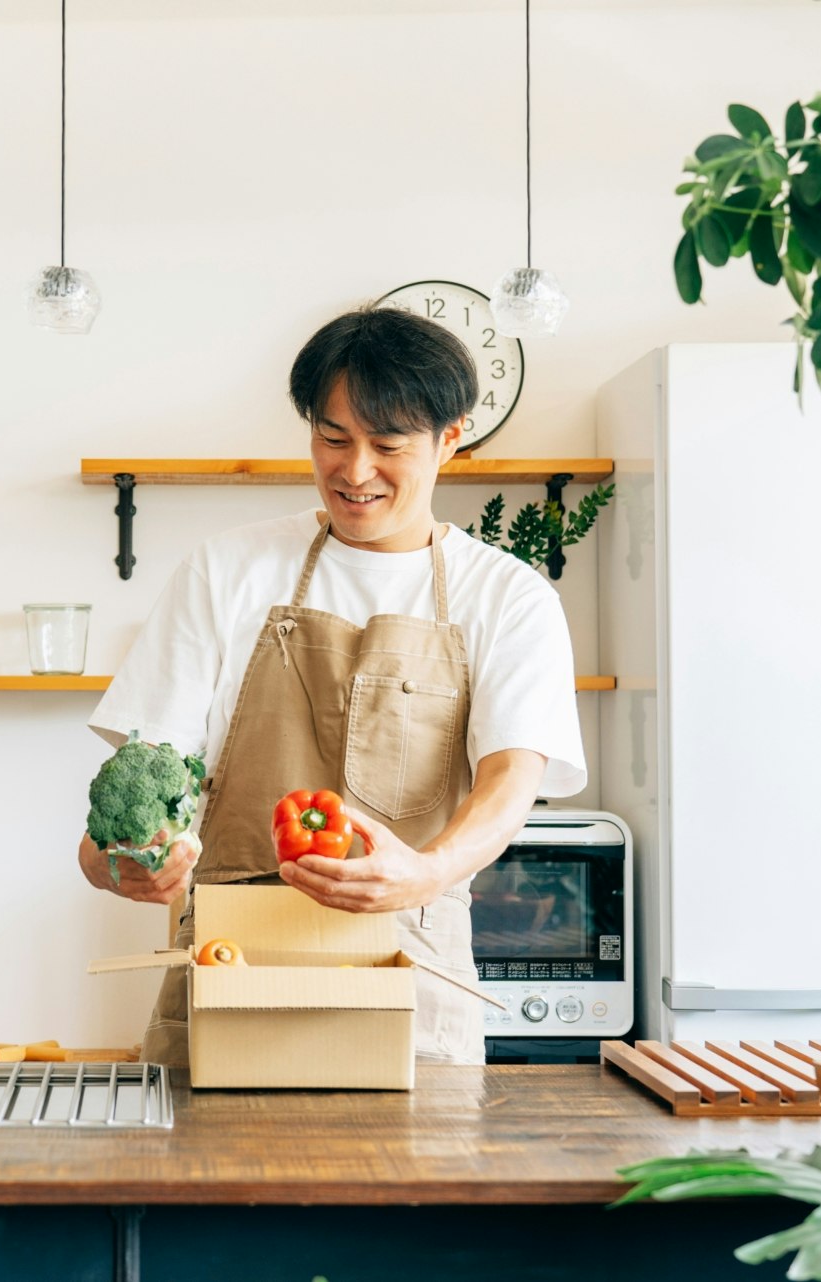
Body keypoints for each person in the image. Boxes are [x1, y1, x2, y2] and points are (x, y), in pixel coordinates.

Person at [78, 304, 587, 1066]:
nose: (354, 472)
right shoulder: (226, 570)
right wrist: (116, 858)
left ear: (453, 438)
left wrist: (426, 871)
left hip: (410, 962)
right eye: (333, 438)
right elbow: (146, 783)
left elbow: (510, 779)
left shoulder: (508, 597)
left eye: (388, 445)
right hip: (230, 963)